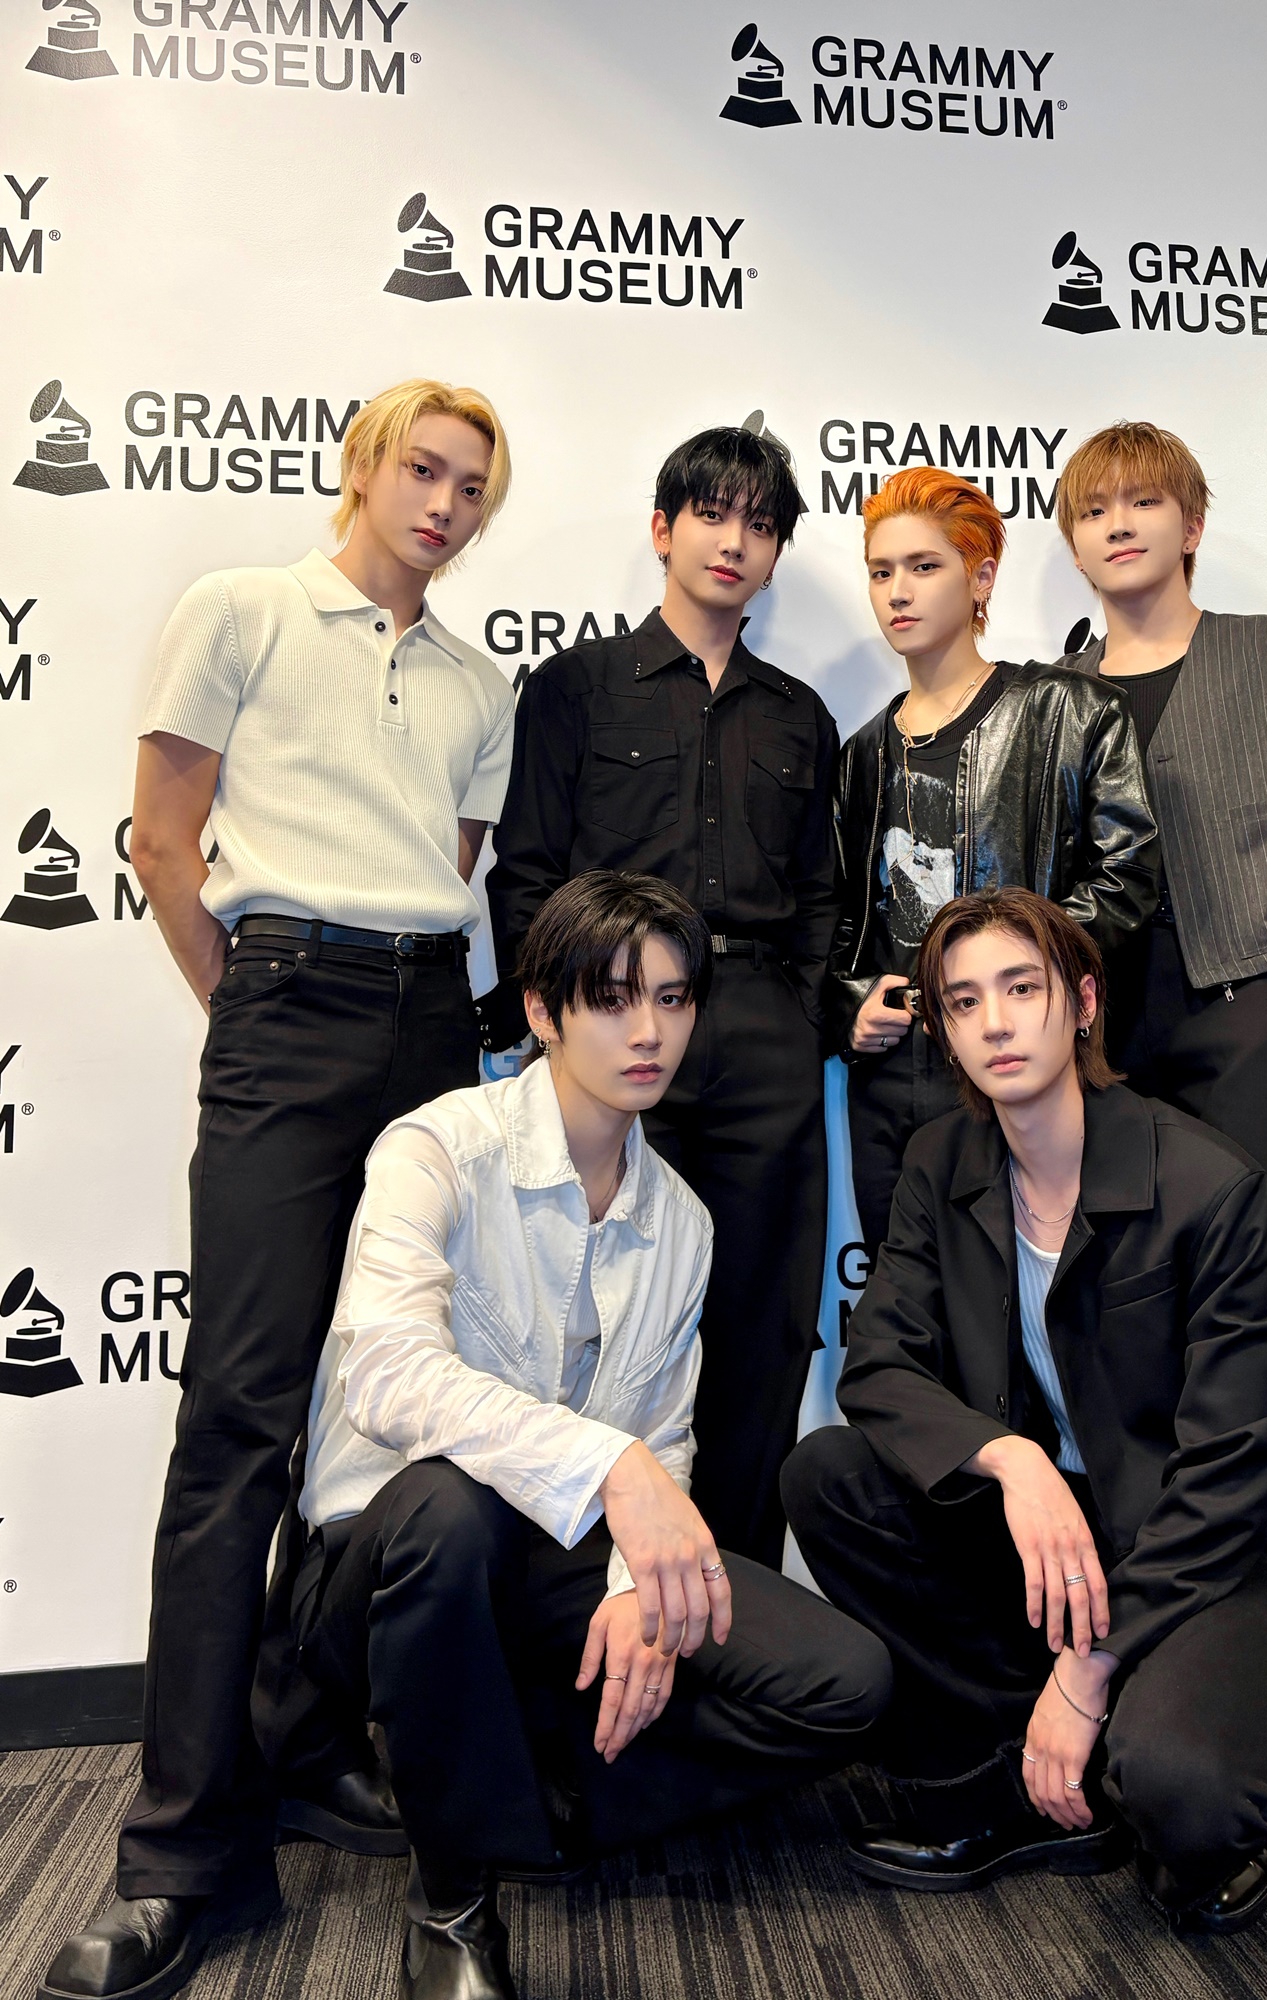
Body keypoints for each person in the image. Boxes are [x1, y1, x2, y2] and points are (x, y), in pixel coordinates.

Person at [42, 381, 517, 2000]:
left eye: (473, 486)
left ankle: (307, 1741)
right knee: (239, 1421)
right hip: (286, 1004)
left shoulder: (480, 684)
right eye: (423, 470)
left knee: (386, 1409)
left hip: (432, 1023)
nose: (444, 504)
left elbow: (451, 870)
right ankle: (182, 1855)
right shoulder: (239, 608)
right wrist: (247, 1009)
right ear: (364, 468)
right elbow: (162, 844)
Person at [294, 873, 888, 1999]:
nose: (648, 1030)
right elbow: (386, 1371)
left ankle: (542, 1800)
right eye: (612, 999)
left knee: (845, 1681)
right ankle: (452, 1897)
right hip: (385, 1564)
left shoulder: (683, 1221)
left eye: (672, 997)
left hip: (556, 1561)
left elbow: (663, 1438)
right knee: (452, 1506)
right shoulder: (438, 1146)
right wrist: (608, 1466)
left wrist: (634, 1587)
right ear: (542, 1009)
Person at [785, 888, 1267, 1933]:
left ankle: (1134, 1742)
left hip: (1213, 1548)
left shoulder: (1207, 1184)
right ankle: (1012, 1778)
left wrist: (1087, 1673)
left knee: (1184, 1795)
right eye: (963, 1001)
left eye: (1021, 988)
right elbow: (879, 1367)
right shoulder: (941, 1162)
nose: (995, 1021)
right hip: (1059, 1533)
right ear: (943, 1030)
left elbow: (1234, 1471)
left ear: (1081, 1003)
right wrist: (1011, 1460)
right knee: (831, 1478)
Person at [1054, 419, 1267, 1789]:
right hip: (1105, 1046)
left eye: (1145, 501)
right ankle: (1172, 1661)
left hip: (1243, 1012)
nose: (1121, 524)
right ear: (1073, 542)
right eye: (1095, 509)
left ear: (1192, 524)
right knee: (1138, 1341)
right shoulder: (1056, 687)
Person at [483, 419, 839, 1568]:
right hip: (611, 1030)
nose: (734, 540)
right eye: (712, 513)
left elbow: (822, 894)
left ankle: (736, 1609)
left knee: (758, 1325)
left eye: (760, 523)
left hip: (763, 1034)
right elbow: (528, 873)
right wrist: (564, 1024)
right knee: (594, 1322)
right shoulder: (575, 687)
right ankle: (590, 1604)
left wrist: (806, 1011)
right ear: (662, 527)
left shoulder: (800, 715)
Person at [825, 467, 1158, 1255]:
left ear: (980, 579)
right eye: (881, 571)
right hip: (893, 1077)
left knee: (1025, 1292)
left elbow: (1129, 877)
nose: (898, 592)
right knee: (907, 1294)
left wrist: (1007, 979)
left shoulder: (1070, 712)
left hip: (1022, 1060)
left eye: (924, 566)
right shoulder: (861, 754)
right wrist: (850, 1004)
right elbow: (835, 919)